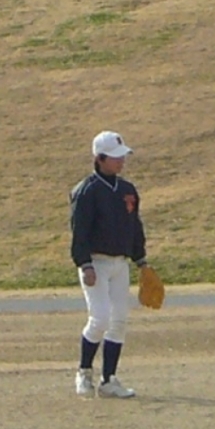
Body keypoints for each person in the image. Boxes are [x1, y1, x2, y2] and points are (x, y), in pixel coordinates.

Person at [69, 130, 149, 399]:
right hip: (96, 263)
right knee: (100, 318)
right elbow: (79, 233)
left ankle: (109, 380)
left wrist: (141, 259)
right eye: (115, 157)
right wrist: (85, 264)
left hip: (120, 263)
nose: (121, 161)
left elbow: (134, 227)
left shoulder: (127, 190)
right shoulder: (87, 191)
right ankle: (84, 371)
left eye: (122, 156)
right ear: (100, 158)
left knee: (119, 320)